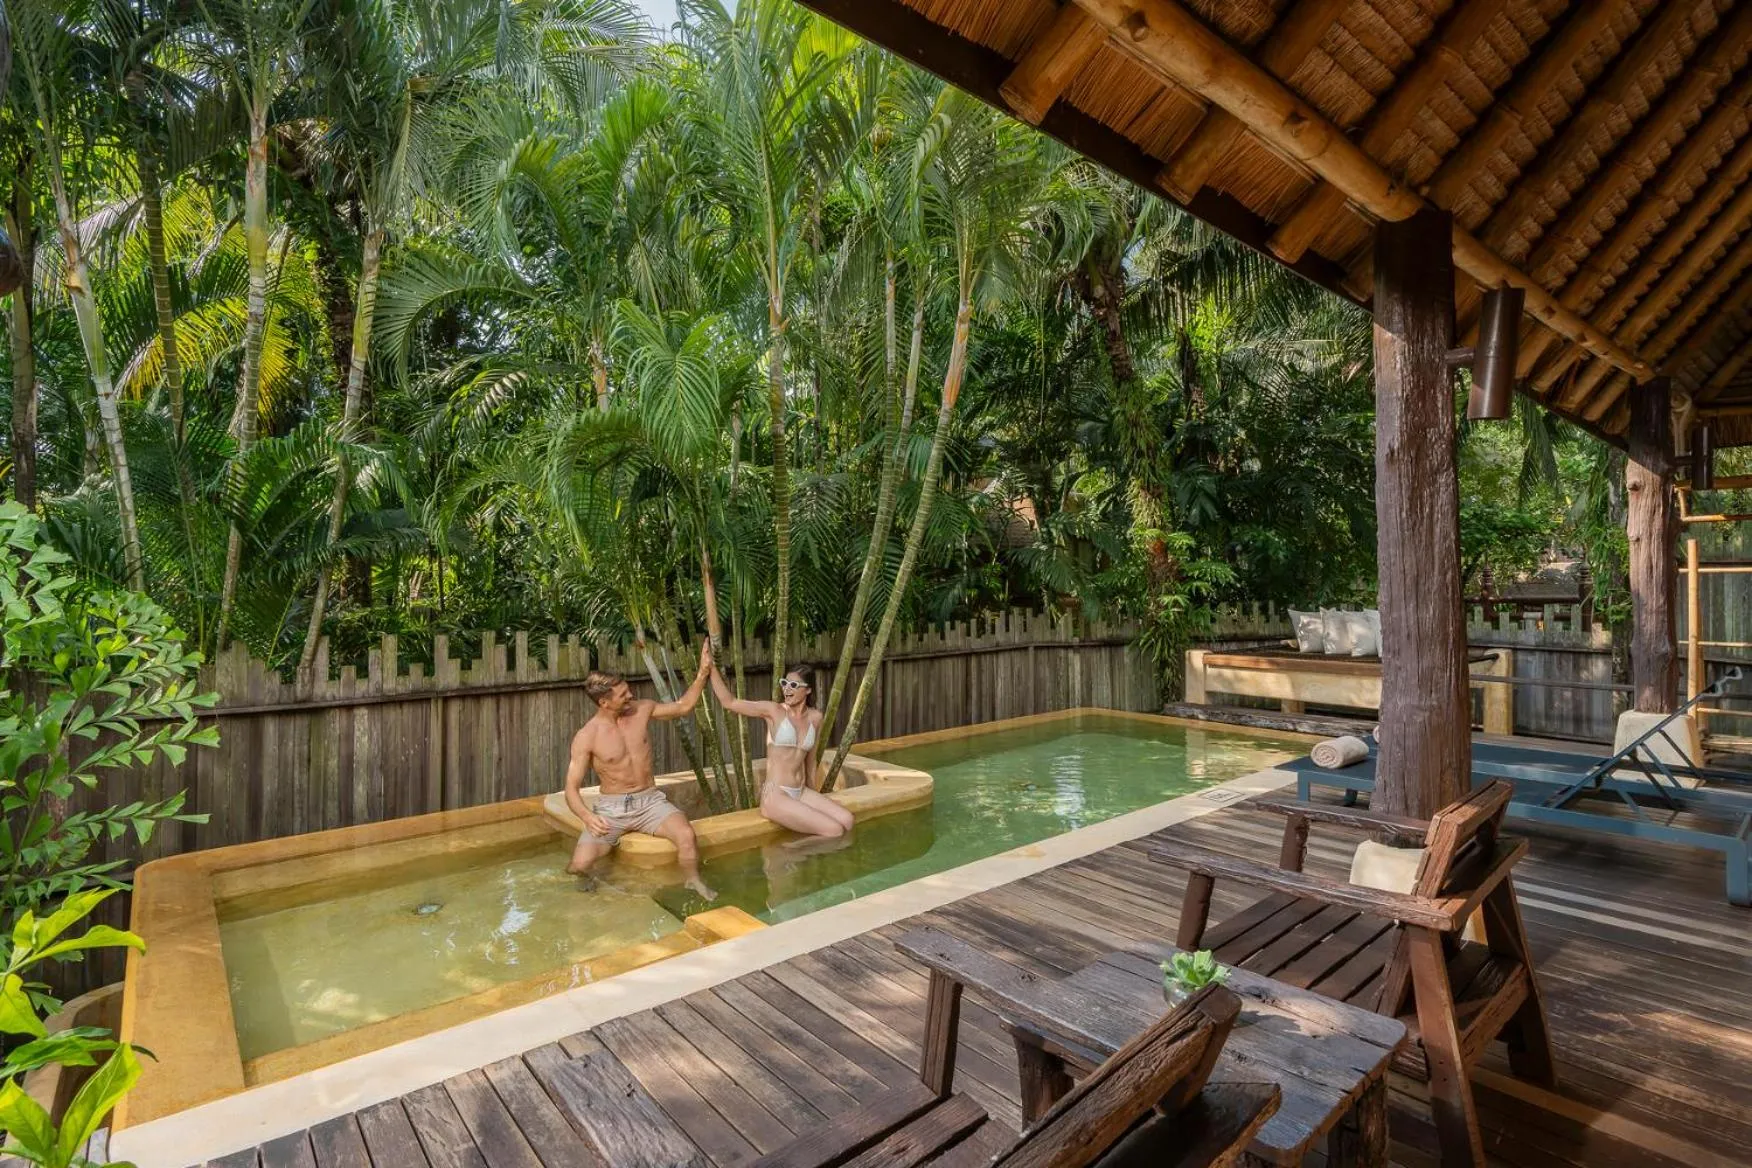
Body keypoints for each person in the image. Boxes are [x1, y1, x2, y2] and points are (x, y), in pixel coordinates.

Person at [563, 642, 716, 900]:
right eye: (622, 694)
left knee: (686, 835)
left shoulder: (642, 709)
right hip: (612, 810)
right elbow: (571, 789)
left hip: (650, 803)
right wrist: (587, 817)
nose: (630, 696)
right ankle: (588, 889)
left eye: (628, 690)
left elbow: (683, 707)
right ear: (604, 702)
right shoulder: (587, 736)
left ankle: (692, 881)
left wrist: (702, 672)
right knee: (578, 866)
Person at [710, 663, 856, 840]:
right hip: (776, 795)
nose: (787, 688)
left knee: (847, 820)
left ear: (808, 690)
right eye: (784, 683)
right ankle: (788, 851)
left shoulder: (815, 717)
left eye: (794, 685)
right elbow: (730, 702)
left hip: (800, 791)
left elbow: (810, 762)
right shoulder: (775, 711)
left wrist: (814, 799)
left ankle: (801, 850)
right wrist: (710, 668)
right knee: (834, 830)